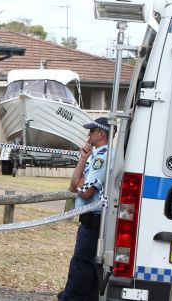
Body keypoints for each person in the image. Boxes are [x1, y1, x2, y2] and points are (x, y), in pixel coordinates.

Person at [59, 117, 115, 301]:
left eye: (91, 131)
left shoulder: (104, 158)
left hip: (93, 225)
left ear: (101, 134)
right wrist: (83, 159)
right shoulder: (94, 157)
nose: (88, 134)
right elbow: (73, 186)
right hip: (89, 222)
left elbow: (85, 191)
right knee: (88, 272)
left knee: (81, 269)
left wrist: (81, 182)